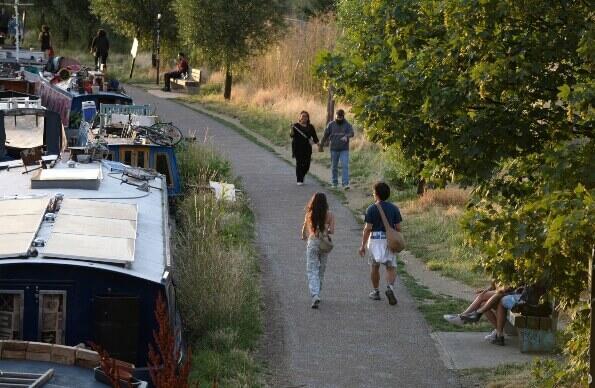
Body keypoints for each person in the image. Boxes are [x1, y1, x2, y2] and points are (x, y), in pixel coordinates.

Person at [359, 182, 402, 305]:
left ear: (376, 195)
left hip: (375, 240)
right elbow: (398, 228)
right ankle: (390, 288)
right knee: (391, 267)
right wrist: (395, 240)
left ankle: (376, 291)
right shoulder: (394, 208)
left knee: (374, 266)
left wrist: (362, 245)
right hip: (388, 241)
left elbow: (368, 228)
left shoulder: (371, 209)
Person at [302, 192, 335, 309]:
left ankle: (315, 294)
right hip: (324, 243)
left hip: (313, 242)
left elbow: (305, 228)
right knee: (322, 268)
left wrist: (304, 235)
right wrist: (326, 229)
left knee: (311, 269)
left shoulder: (309, 214)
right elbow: (332, 231)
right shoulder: (330, 215)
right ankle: (318, 291)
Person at [321, 109, 354, 189]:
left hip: (344, 149)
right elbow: (325, 134)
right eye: (338, 116)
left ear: (343, 116)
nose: (339, 118)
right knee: (334, 166)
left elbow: (352, 133)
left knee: (345, 165)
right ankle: (334, 182)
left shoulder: (347, 125)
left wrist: (346, 136)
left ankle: (345, 184)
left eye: (340, 117)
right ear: (336, 115)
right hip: (334, 149)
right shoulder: (331, 124)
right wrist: (321, 144)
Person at [291, 111, 319, 186]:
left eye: (306, 116)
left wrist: (319, 145)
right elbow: (291, 135)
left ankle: (302, 175)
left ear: (308, 118)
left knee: (307, 164)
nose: (304, 118)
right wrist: (291, 129)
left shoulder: (310, 126)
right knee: (299, 163)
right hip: (297, 147)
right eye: (303, 116)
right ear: (300, 117)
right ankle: (299, 180)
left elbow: (315, 137)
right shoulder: (295, 126)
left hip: (307, 148)